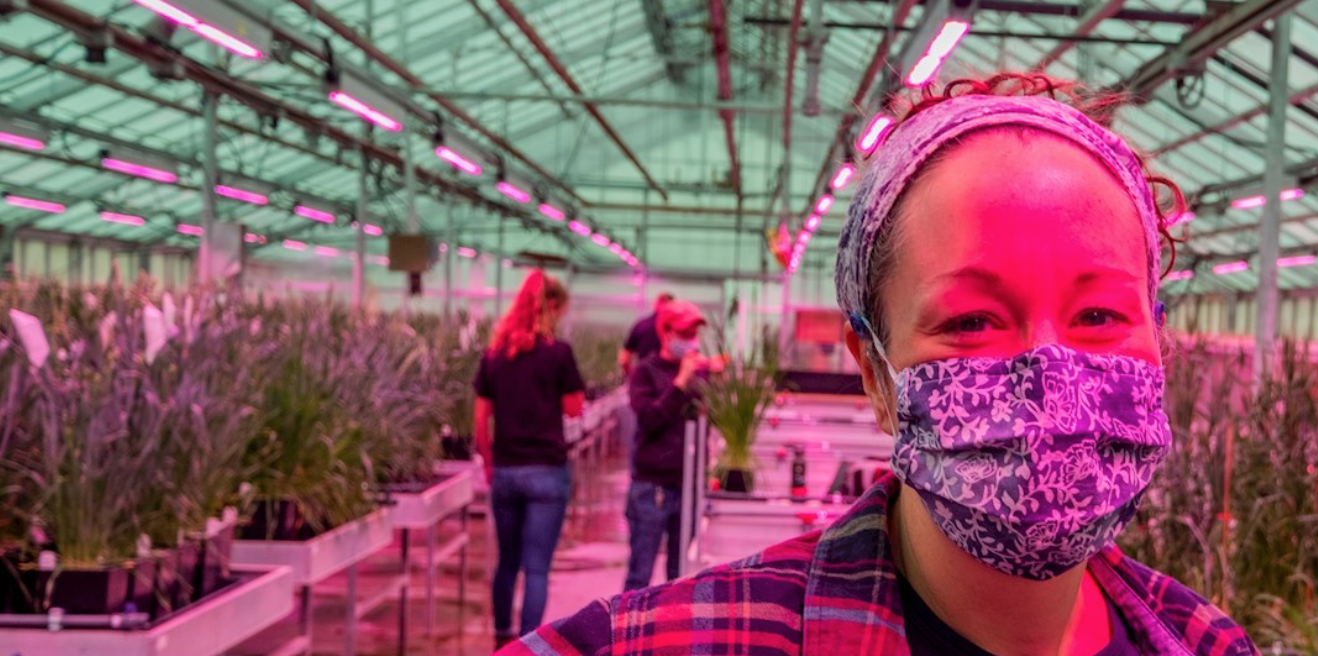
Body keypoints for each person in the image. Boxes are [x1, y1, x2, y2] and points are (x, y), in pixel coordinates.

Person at [501, 73, 1257, 656]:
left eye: (1099, 316)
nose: (1052, 377)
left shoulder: (1208, 642)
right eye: (970, 322)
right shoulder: (686, 641)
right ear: (875, 372)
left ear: (1157, 336)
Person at [473, 270, 588, 648]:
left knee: (507, 562)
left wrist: (489, 462)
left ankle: (500, 641)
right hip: (546, 472)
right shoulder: (558, 354)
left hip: (507, 471)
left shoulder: (495, 355)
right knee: (536, 568)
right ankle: (527, 647)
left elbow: (480, 419)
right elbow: (573, 409)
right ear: (550, 307)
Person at [621, 299, 715, 592]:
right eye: (684, 334)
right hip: (652, 488)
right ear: (666, 332)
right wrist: (680, 382)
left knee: (680, 577)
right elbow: (649, 418)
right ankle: (630, 622)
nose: (690, 341)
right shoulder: (645, 372)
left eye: (694, 334)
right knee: (640, 573)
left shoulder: (700, 373)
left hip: (688, 484)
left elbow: (707, 422)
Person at [618, 292, 676, 374]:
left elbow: (624, 360)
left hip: (644, 376)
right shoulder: (676, 329)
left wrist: (632, 375)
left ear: (655, 305)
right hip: (667, 377)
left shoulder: (641, 325)